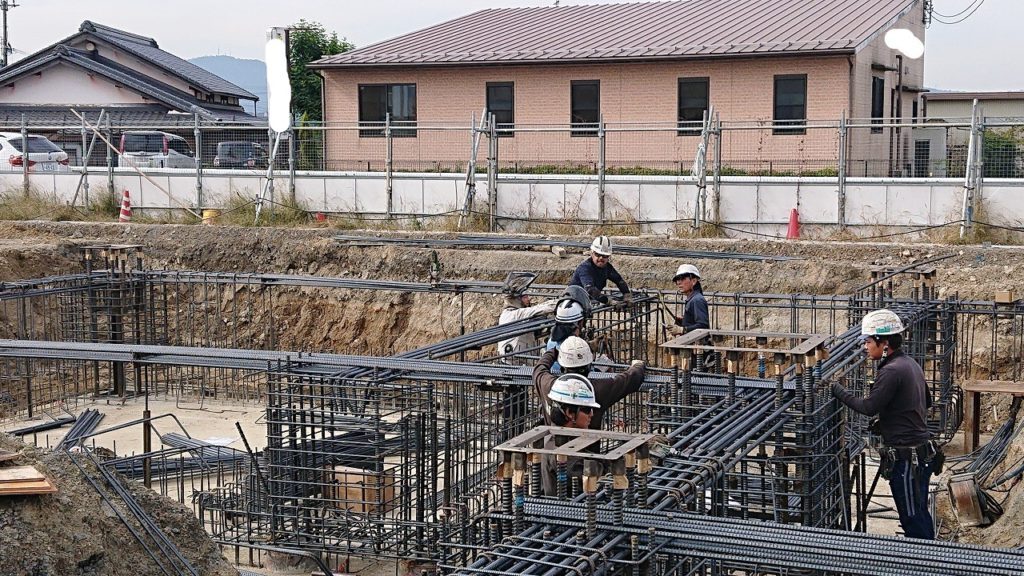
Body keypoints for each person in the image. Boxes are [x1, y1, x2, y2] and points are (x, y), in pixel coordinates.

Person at [830, 309, 938, 540]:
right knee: (919, 513)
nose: (865, 347)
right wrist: (890, 419)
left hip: (908, 459)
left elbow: (868, 407)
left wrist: (836, 390)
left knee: (913, 521)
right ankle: (931, 559)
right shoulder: (909, 363)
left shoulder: (891, 371)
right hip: (920, 454)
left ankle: (925, 564)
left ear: (884, 343)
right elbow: (925, 401)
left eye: (868, 342)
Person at [533, 335, 645, 495]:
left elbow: (539, 368)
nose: (591, 413)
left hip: (573, 473)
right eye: (587, 409)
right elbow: (629, 379)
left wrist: (555, 351)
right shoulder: (597, 390)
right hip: (580, 486)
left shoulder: (548, 386)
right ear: (570, 413)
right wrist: (638, 365)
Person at [569, 236, 631, 305]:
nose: (601, 258)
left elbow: (619, 281)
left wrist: (627, 294)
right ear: (592, 253)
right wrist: (609, 301)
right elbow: (590, 289)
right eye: (598, 255)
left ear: (608, 257)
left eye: (605, 255)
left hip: (587, 303)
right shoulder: (585, 268)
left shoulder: (607, 268)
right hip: (572, 303)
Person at [666, 264, 708, 336]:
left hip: (696, 345)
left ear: (694, 281)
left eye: (682, 279)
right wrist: (684, 321)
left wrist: (682, 330)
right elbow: (695, 322)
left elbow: (703, 326)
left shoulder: (697, 300)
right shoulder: (692, 299)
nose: (679, 283)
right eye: (677, 280)